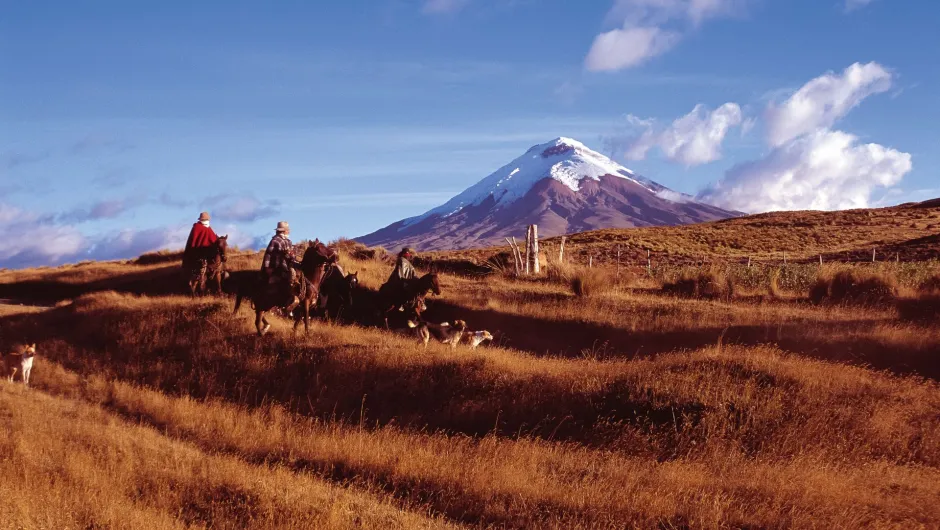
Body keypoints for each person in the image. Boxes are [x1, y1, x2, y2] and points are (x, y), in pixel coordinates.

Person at [261, 221, 301, 313]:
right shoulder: (275, 241)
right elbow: (268, 255)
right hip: (276, 267)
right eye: (288, 230)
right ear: (284, 231)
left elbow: (291, 255)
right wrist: (267, 268)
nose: (289, 232)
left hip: (286, 266)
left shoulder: (288, 241)